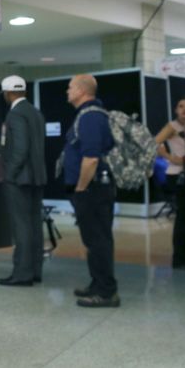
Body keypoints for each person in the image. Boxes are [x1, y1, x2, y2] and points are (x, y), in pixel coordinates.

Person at [62, 74, 119, 308]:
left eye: (70, 87)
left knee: (98, 241)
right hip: (94, 188)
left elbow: (91, 158)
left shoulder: (91, 117)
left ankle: (106, 292)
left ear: (82, 91)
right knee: (95, 240)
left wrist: (81, 189)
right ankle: (97, 283)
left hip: (93, 189)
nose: (67, 91)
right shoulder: (89, 115)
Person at [0, 75, 46, 287]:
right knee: (34, 224)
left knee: (22, 226)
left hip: (19, 179)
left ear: (8, 93)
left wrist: (10, 174)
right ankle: (35, 270)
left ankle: (22, 273)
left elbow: (20, 148)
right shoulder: (35, 113)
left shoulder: (15, 114)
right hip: (36, 177)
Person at [155, 96, 185, 270]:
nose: (184, 109)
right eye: (181, 106)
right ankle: (180, 259)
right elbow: (154, 143)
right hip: (177, 176)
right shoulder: (172, 127)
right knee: (183, 216)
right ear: (176, 110)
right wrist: (169, 157)